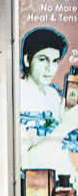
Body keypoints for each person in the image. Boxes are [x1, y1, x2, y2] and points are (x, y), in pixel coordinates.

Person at [20, 27, 78, 180]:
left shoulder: (53, 95)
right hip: (36, 187)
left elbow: (60, 148)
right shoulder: (17, 94)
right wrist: (67, 125)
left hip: (62, 185)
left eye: (55, 61)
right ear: (27, 60)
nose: (49, 68)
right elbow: (25, 163)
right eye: (42, 59)